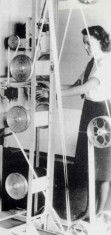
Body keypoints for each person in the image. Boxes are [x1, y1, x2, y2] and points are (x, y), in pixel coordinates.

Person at [38, 25, 111, 216]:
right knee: (89, 162)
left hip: (103, 115)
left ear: (100, 41)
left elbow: (86, 87)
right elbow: (75, 85)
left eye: (89, 43)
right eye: (84, 43)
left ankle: (100, 212)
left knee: (103, 167)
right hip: (89, 112)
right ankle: (89, 210)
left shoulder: (106, 62)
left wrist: (55, 94)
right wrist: (49, 85)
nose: (85, 47)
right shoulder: (91, 62)